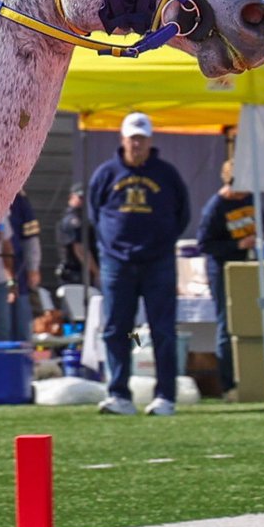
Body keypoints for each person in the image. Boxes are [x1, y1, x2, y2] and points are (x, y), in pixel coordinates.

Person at [88, 112, 190, 417]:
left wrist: (161, 243)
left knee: (162, 330)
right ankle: (119, 394)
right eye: (132, 138)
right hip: (117, 264)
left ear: (150, 140)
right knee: (116, 328)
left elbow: (183, 214)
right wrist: (113, 246)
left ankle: (165, 397)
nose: (137, 144)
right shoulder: (106, 174)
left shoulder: (167, 174)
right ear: (122, 139)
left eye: (142, 138)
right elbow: (95, 214)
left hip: (157, 262)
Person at [196, 159, 264, 401]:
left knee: (252, 320)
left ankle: (255, 379)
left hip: (248, 266)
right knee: (226, 326)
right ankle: (228, 385)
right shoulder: (215, 208)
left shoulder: (251, 199)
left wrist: (258, 235)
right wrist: (237, 244)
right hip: (222, 269)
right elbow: (204, 244)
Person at [8, 190, 42, 342]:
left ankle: (21, 357)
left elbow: (30, 239)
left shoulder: (19, 201)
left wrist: (32, 267)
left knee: (21, 319)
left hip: (16, 269)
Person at [55, 183, 98, 288]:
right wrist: (97, 272)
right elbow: (80, 249)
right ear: (71, 197)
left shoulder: (82, 217)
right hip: (75, 274)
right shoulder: (72, 220)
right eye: (80, 197)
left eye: (84, 198)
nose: (82, 201)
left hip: (82, 273)